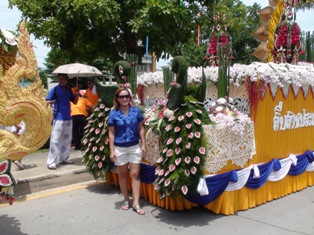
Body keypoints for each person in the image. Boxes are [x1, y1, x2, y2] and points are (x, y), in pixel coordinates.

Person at [108, 88, 147, 215]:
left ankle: (136, 202)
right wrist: (112, 150)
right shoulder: (113, 113)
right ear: (117, 99)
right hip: (120, 148)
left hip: (134, 146)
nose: (124, 99)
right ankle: (126, 199)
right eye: (121, 97)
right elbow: (111, 133)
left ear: (130, 98)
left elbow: (141, 128)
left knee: (135, 174)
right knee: (123, 174)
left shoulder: (136, 111)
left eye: (126, 96)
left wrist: (143, 144)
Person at [46, 73, 78, 170]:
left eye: (63, 79)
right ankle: (51, 162)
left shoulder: (68, 90)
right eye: (60, 79)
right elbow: (47, 101)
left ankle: (64, 158)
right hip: (59, 117)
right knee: (55, 140)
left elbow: (75, 102)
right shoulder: (55, 89)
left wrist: (76, 94)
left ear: (66, 79)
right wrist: (52, 102)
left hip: (68, 117)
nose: (61, 81)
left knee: (67, 139)